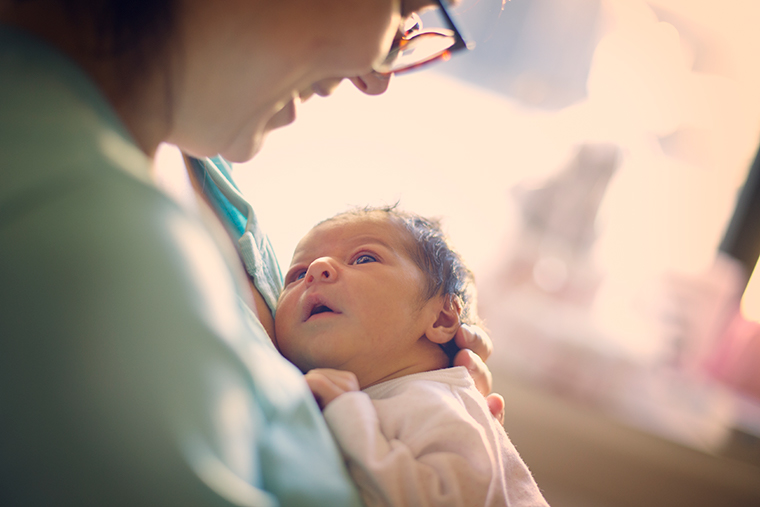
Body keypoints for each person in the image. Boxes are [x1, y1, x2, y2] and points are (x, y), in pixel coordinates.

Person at [0, 0, 502, 505]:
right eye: (402, 10)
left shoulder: (205, 168)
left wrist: (419, 407)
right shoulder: (76, 228)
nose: (376, 77)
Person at [274, 206, 549, 507]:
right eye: (297, 274)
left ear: (442, 318)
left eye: (364, 258)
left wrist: (345, 411)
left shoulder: (434, 398)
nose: (317, 269)